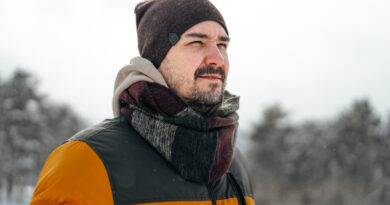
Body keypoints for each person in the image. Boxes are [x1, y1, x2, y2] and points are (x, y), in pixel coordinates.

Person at [30, 0, 255, 204]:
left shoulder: (233, 164)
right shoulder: (83, 163)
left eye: (222, 45)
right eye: (197, 42)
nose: (218, 58)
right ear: (157, 58)